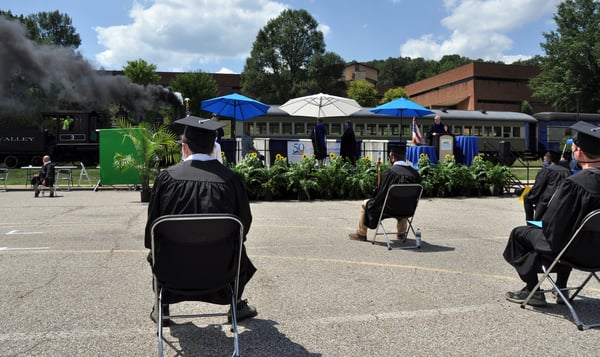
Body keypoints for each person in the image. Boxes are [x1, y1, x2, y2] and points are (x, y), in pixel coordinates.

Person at [144, 116, 257, 325]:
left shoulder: (166, 179)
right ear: (214, 149)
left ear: (184, 148)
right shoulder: (231, 180)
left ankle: (162, 306)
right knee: (239, 250)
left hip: (173, 272)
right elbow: (244, 226)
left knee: (157, 249)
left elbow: (151, 231)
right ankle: (236, 304)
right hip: (221, 272)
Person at [503, 121, 600, 307]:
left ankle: (533, 290)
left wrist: (537, 224)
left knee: (520, 235)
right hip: (597, 255)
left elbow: (552, 226)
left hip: (572, 252)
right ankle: (561, 287)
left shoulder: (574, 184)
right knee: (563, 238)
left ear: (578, 152)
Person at [348, 145, 421, 241]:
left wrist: (373, 201)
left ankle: (361, 234)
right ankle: (401, 233)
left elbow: (381, 194)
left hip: (389, 208)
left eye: (390, 155)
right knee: (404, 200)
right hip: (408, 209)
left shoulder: (389, 172)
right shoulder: (415, 174)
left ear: (393, 157)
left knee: (365, 204)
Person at [522, 151, 571, 221]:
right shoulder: (568, 172)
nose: (543, 162)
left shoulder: (546, 171)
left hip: (547, 202)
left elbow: (536, 190)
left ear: (549, 160)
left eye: (544, 160)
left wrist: (524, 192)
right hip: (564, 200)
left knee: (526, 197)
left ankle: (529, 222)